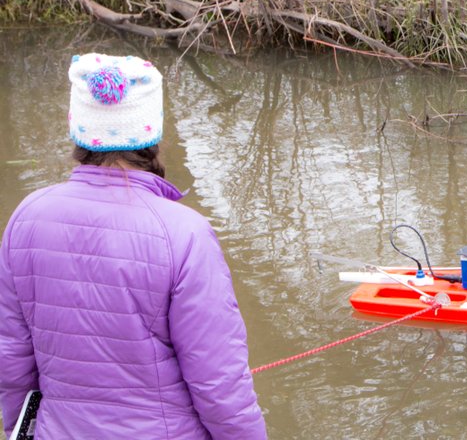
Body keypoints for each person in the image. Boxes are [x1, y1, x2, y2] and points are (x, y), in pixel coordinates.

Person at [0, 53, 268, 439]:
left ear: (78, 130)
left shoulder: (26, 217)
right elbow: (220, 384)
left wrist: (19, 429)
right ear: (152, 135)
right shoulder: (184, 232)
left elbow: (12, 363)